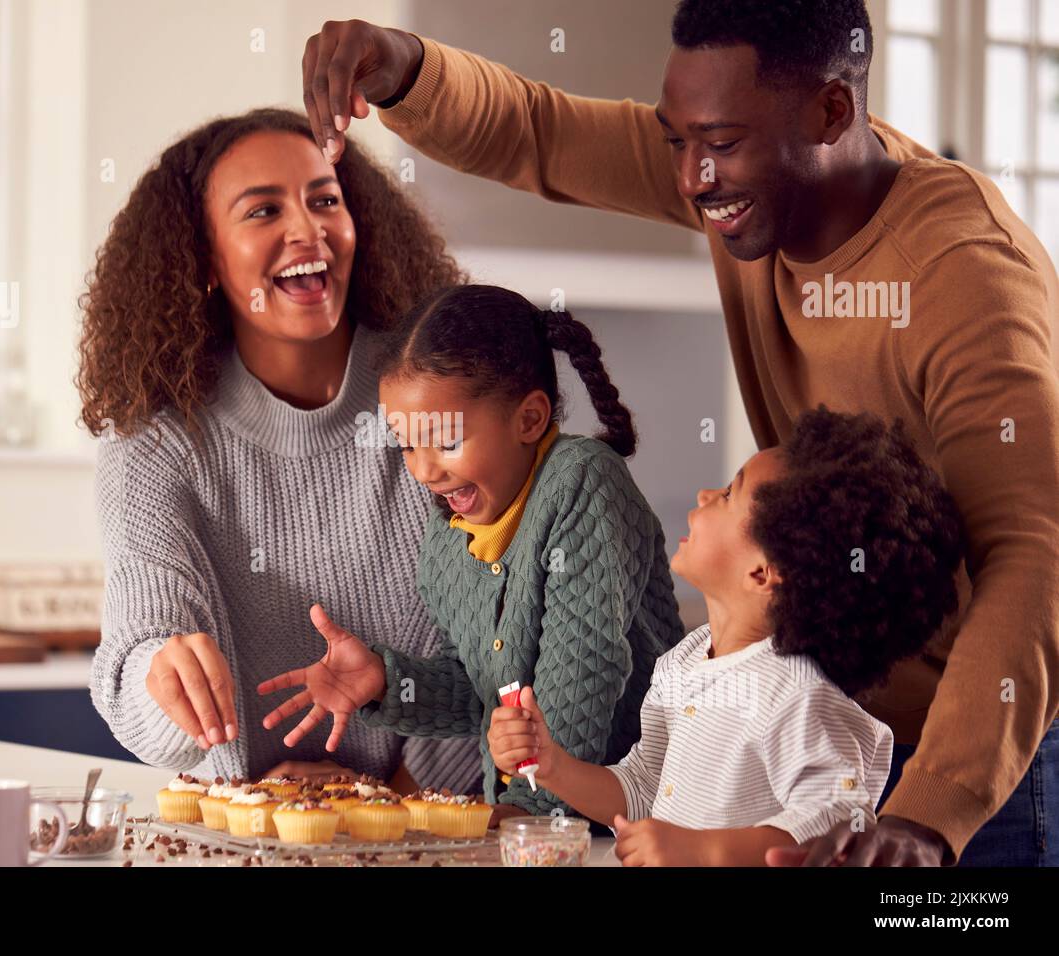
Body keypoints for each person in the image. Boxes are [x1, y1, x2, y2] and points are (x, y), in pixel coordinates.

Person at [298, 1, 1059, 865]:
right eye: (677, 143)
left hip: (973, 752)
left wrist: (931, 814)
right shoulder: (751, 170)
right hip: (819, 714)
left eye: (722, 145)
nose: (695, 179)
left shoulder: (964, 280)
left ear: (832, 113)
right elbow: (540, 133)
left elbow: (1033, 556)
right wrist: (405, 68)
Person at [79, 107, 481, 794]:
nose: (308, 230)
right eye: (263, 211)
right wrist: (166, 676)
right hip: (246, 836)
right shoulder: (155, 444)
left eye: (325, 200)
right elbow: (138, 648)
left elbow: (500, 642)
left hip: (437, 823)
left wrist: (383, 799)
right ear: (203, 260)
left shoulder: (439, 399)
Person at [256, 285, 685, 825]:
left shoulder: (584, 483)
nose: (424, 470)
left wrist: (521, 816)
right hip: (535, 825)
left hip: (641, 819)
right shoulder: (448, 538)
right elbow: (483, 694)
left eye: (444, 440)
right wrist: (385, 682)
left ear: (529, 419)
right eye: (407, 444)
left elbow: (586, 672)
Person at [490, 407, 964, 865]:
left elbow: (838, 823)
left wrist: (702, 852)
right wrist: (552, 764)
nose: (703, 494)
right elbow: (639, 790)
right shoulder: (684, 660)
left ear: (761, 573)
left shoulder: (799, 695)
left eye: (727, 495)